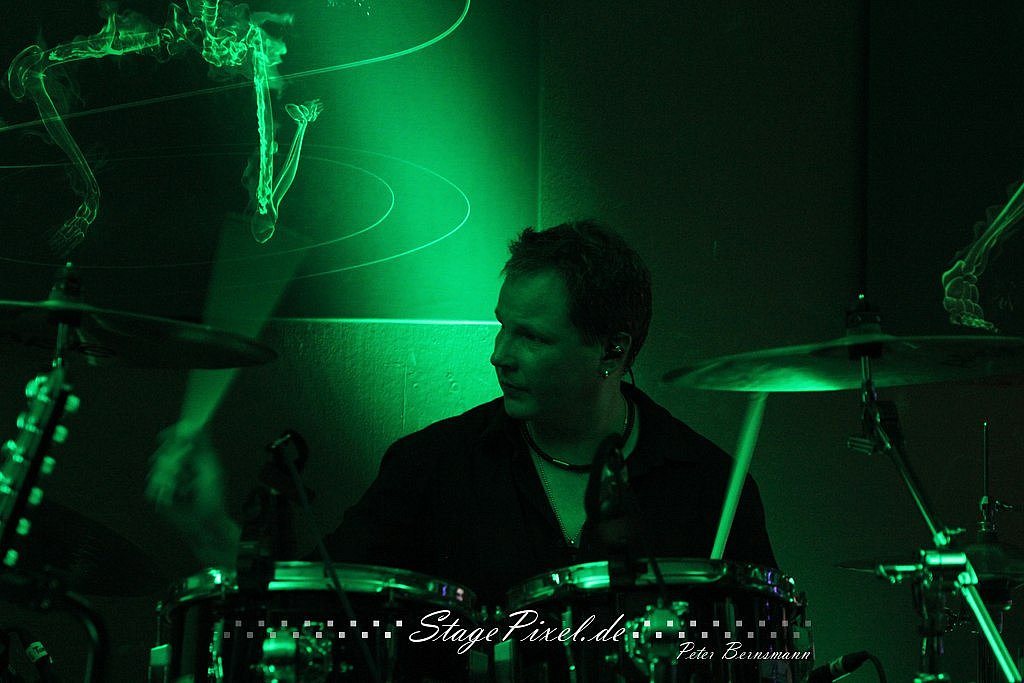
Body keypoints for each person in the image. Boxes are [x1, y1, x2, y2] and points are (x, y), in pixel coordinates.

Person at [149, 219, 777, 602]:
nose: (500, 355)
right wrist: (207, 525)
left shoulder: (708, 486)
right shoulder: (434, 465)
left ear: (612, 350)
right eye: (503, 326)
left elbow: (767, 653)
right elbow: (317, 600)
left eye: (532, 337)